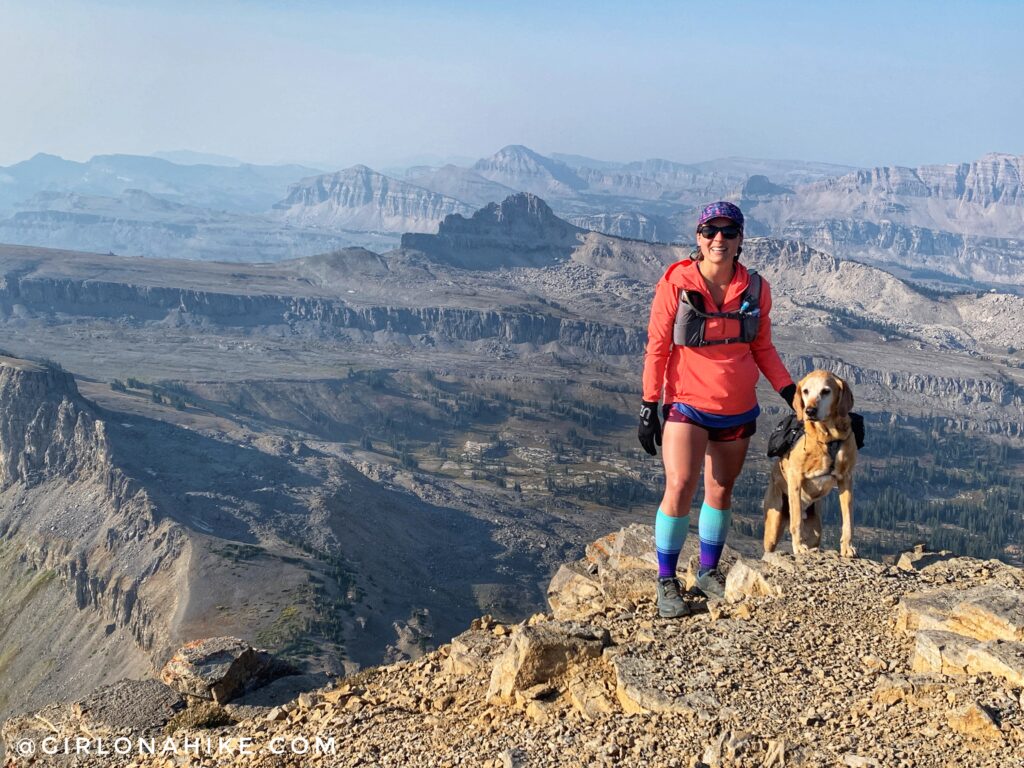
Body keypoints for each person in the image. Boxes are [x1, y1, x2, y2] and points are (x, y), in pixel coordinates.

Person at [638, 201, 796, 618]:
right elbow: (658, 346)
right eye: (710, 231)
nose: (719, 240)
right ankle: (666, 579)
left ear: (741, 239)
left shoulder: (757, 289)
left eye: (729, 232)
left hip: (737, 409)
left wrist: (790, 392)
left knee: (721, 490)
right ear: (698, 237)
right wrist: (649, 403)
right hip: (687, 405)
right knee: (680, 486)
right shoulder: (676, 283)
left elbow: (762, 347)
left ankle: (708, 572)